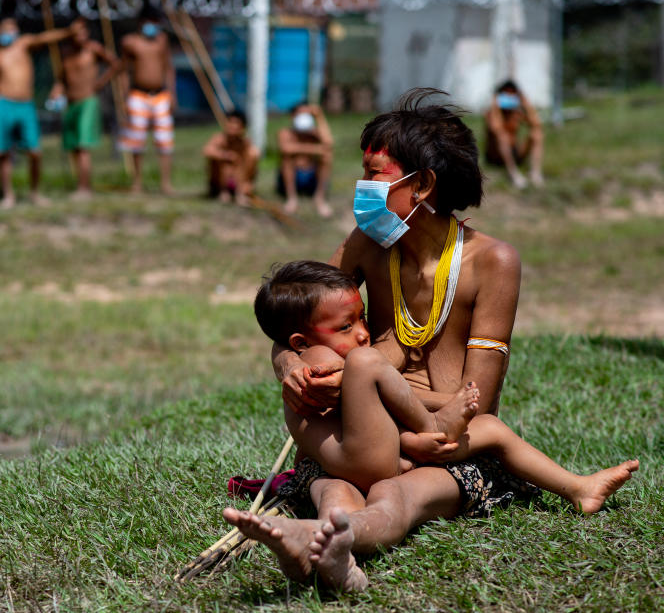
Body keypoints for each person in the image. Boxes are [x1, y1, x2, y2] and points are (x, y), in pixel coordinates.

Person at [223, 89, 638, 592]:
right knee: (334, 488)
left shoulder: (492, 262)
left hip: (448, 445)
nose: (361, 186)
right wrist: (292, 368)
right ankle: (323, 549)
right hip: (361, 437)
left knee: (399, 499)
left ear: (420, 185)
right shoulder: (364, 245)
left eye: (375, 174)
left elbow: (475, 400)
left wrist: (367, 380)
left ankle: (322, 540)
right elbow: (298, 326)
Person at [253, 259, 638, 500]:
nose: (362, 332)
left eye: (363, 318)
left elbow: (368, 415)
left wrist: (440, 406)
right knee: (369, 363)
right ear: (300, 342)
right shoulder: (317, 361)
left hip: (377, 457)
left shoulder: (323, 352)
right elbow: (362, 408)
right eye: (346, 326)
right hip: (362, 462)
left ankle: (578, 487)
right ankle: (433, 428)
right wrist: (431, 420)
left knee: (489, 426)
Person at [0, 16, 77, 208]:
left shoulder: (23, 45)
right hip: (4, 104)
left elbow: (44, 38)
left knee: (35, 152)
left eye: (13, 27)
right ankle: (7, 195)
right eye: (7, 28)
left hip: (25, 104)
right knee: (3, 153)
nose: (11, 32)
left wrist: (67, 32)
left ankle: (35, 193)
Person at [51, 17, 121, 199]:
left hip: (88, 100)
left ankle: (84, 188)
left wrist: (100, 82)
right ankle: (80, 184)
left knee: (83, 146)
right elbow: (61, 79)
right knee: (73, 146)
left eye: (82, 31)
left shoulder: (93, 49)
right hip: (70, 102)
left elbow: (115, 64)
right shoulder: (65, 54)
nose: (79, 35)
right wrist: (56, 92)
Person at [119, 5, 176, 195]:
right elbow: (124, 71)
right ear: (142, 22)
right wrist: (123, 97)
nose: (154, 26)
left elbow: (168, 67)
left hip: (160, 94)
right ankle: (137, 182)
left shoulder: (162, 41)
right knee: (136, 141)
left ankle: (166, 183)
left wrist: (172, 94)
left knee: (164, 140)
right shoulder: (130, 42)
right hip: (138, 94)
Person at [277, 103, 334, 218]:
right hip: (293, 176)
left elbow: (328, 143)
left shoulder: (315, 133)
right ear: (293, 116)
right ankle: (291, 198)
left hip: (311, 176)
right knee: (286, 159)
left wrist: (319, 117)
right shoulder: (286, 133)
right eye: (300, 114)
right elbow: (286, 149)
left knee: (326, 157)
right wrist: (316, 149)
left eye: (307, 114)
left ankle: (319, 198)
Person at [484, 80, 544, 188]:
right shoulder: (492, 112)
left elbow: (536, 124)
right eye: (506, 94)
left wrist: (526, 104)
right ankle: (514, 174)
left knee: (536, 134)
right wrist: (495, 106)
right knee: (503, 136)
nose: (509, 97)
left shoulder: (516, 113)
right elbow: (495, 128)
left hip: (515, 153)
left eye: (512, 94)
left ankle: (535, 173)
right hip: (496, 156)